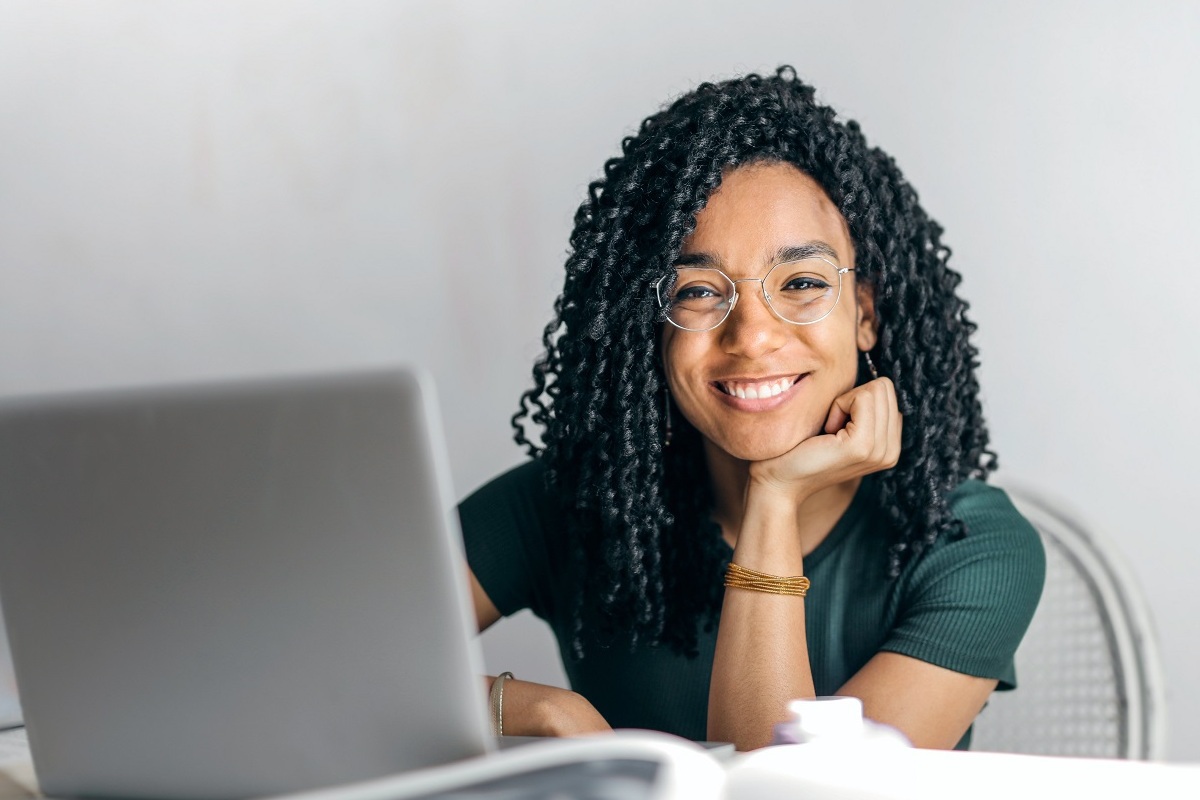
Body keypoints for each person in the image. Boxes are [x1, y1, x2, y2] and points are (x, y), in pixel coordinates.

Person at [459, 66, 1045, 752]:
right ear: (650, 326)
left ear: (865, 313)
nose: (753, 336)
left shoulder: (969, 544)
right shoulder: (575, 502)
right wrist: (538, 709)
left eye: (801, 282)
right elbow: (345, 656)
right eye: (698, 291)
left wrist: (774, 498)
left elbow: (787, 793)